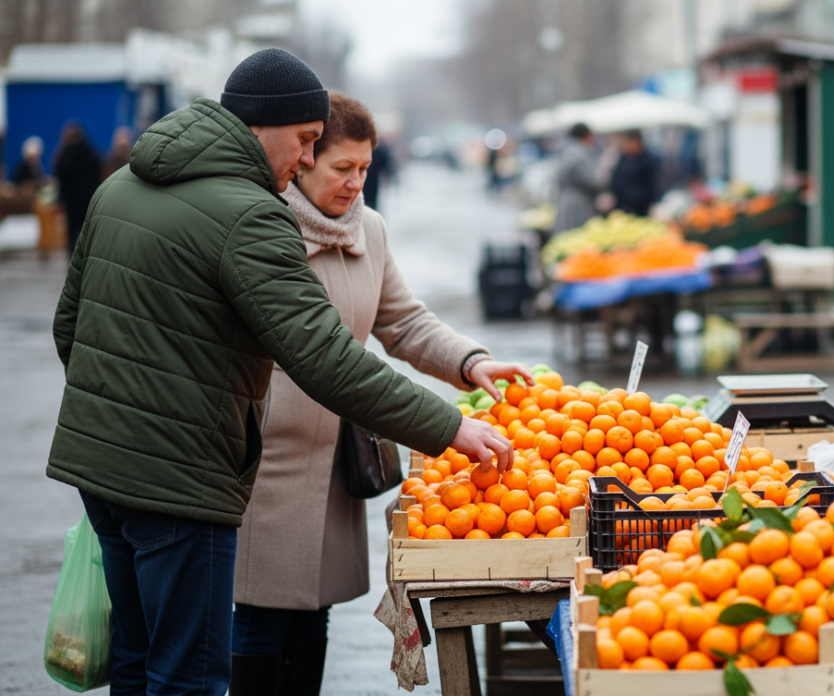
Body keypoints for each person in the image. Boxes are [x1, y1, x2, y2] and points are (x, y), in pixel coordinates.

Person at [48, 48, 513, 696]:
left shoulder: (120, 185)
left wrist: (119, 416)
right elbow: (324, 357)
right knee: (190, 677)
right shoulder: (251, 214)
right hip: (183, 479)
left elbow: (70, 327)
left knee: (137, 657)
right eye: (306, 142)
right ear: (262, 126)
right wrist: (447, 429)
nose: (303, 159)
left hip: (101, 469)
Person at [228, 92, 529, 695]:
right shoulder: (261, 226)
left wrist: (471, 363)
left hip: (335, 456)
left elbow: (404, 322)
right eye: (343, 168)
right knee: (259, 616)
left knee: (314, 613)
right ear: (306, 157)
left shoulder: (370, 230)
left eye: (365, 169)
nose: (355, 183)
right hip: (263, 457)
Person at [52, 122, 103, 254]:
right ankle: (87, 254)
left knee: (72, 231)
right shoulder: (91, 152)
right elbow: (98, 172)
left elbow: (59, 174)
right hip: (89, 198)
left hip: (71, 200)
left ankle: (72, 256)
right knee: (87, 229)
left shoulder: (65, 154)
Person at [552, 122, 602, 234]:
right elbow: (592, 182)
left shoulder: (566, 151)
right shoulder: (578, 154)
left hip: (566, 200)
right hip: (577, 205)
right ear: (586, 135)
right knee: (576, 236)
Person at [608, 129, 661, 216]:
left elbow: (653, 182)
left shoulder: (647, 159)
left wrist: (654, 202)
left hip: (642, 207)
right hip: (623, 206)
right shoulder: (623, 158)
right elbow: (616, 179)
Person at [361, 136, 393, 211]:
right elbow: (386, 166)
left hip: (369, 179)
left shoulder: (369, 151)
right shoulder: (378, 151)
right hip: (371, 179)